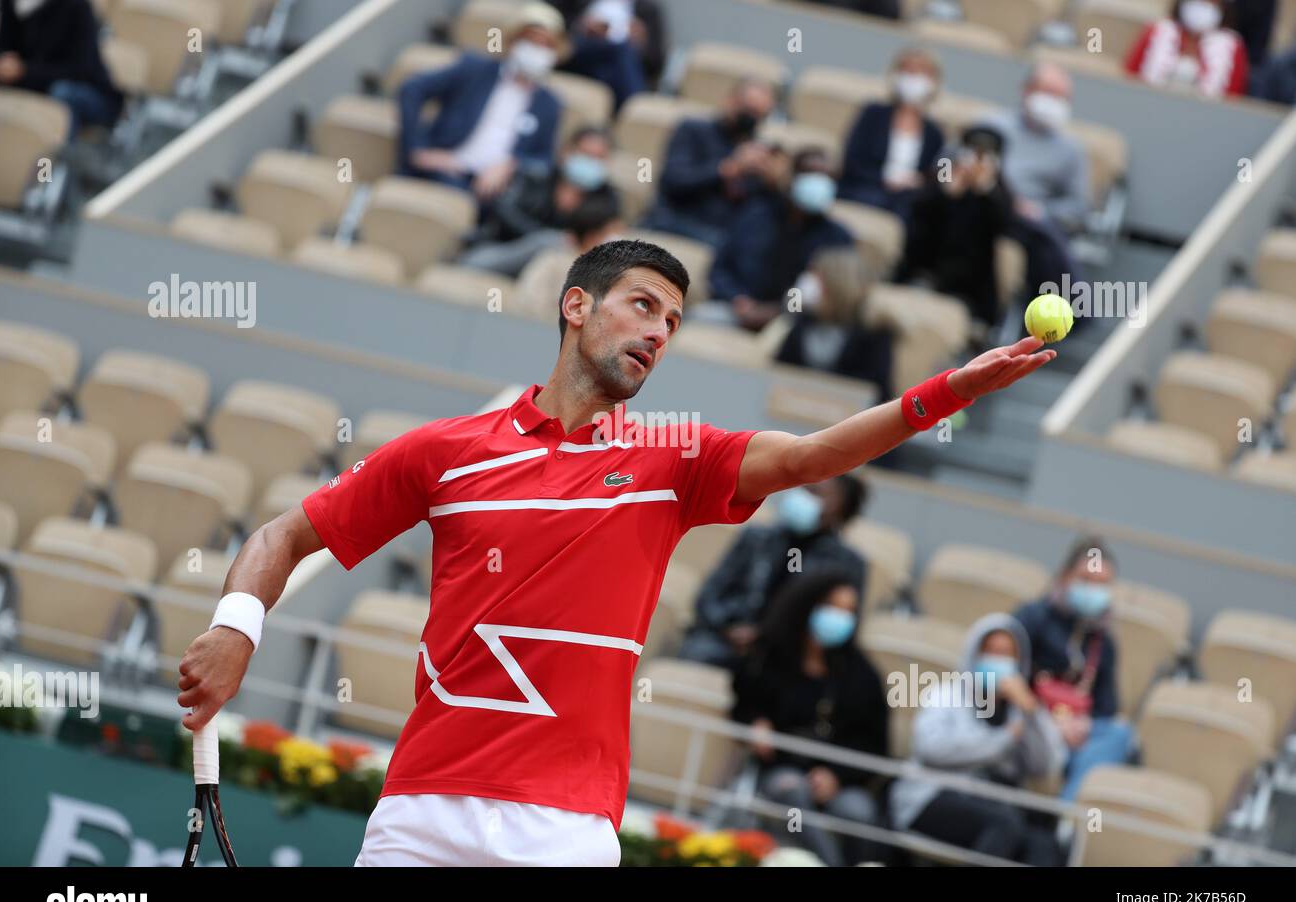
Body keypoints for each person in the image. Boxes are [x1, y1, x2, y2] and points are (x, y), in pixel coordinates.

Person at [177, 237, 1055, 868]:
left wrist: (945, 393)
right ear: (576, 306)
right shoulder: (444, 451)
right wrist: (235, 630)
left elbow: (811, 456)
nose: (658, 331)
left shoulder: (673, 455)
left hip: (565, 831)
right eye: (642, 305)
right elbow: (283, 536)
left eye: (672, 321)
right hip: (421, 812)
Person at [733, 570, 890, 866]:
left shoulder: (862, 675)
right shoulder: (771, 656)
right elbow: (743, 701)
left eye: (848, 611)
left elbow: (875, 744)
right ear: (808, 605)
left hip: (839, 783)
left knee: (858, 812)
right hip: (780, 770)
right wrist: (756, 722)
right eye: (832, 606)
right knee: (792, 790)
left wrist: (836, 775)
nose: (839, 617)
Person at [888, 613, 1068, 866]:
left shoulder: (1020, 709)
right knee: (1005, 823)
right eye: (991, 652)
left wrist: (1032, 713)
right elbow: (931, 749)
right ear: (975, 653)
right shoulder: (947, 695)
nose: (998, 661)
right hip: (930, 799)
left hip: (993, 807)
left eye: (1006, 654)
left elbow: (1046, 765)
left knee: (1043, 845)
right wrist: (1002, 739)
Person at [678, 473, 867, 670]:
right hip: (725, 641)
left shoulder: (846, 564)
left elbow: (838, 628)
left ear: (841, 510)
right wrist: (729, 628)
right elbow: (709, 597)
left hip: (792, 655)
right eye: (803, 489)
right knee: (695, 655)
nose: (804, 497)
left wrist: (769, 638)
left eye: (816, 494)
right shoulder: (756, 538)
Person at [396, 2, 566, 201]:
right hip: (441, 172)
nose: (537, 50)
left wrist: (510, 165)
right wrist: (417, 148)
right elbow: (412, 89)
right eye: (530, 41)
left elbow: (543, 159)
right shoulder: (475, 69)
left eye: (545, 45)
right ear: (512, 41)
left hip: (492, 192)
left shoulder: (550, 105)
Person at [1012, 536, 1135, 802]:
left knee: (1119, 733)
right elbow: (1003, 676)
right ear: (1066, 576)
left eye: (1102, 584)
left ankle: (1067, 813)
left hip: (1074, 734)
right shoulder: (1033, 617)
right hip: (1029, 720)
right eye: (1087, 580)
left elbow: (1105, 709)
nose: (1093, 590)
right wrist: (1046, 720)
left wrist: (1079, 726)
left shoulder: (1104, 642)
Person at [701, 147, 855, 332]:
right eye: (811, 173)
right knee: (698, 318)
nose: (819, 183)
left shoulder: (838, 238)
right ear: (792, 177)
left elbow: (837, 295)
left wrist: (780, 312)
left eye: (828, 178)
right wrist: (738, 300)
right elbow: (719, 269)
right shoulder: (755, 215)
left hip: (798, 324)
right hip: (739, 311)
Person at [983, 64, 1088, 300]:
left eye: (1060, 97)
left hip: (1025, 222)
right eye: (1047, 92)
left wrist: (1040, 211)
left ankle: (1074, 309)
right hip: (984, 205)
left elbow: (1078, 209)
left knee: (1044, 235)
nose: (1053, 102)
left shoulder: (1071, 151)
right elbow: (950, 163)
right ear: (1026, 90)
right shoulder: (992, 126)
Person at [458, 126, 616, 277]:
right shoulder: (533, 176)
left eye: (599, 158)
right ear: (567, 152)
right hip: (503, 247)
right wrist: (542, 239)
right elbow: (504, 212)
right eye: (586, 154)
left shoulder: (607, 199)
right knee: (550, 242)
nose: (591, 163)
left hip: (557, 271)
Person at [896, 125, 1013, 326]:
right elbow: (919, 208)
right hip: (928, 261)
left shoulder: (998, 187)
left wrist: (985, 189)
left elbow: (1006, 225)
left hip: (972, 278)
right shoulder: (946, 170)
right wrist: (948, 193)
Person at [640, 76, 778, 246]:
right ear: (730, 101)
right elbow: (673, 181)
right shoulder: (693, 130)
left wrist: (772, 182)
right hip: (675, 221)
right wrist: (730, 168)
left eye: (758, 115)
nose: (750, 119)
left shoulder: (760, 151)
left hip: (723, 235)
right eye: (747, 109)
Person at [838, 48, 945, 225]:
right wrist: (888, 179)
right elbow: (852, 161)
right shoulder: (872, 114)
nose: (914, 78)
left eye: (922, 72)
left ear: (934, 81)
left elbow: (938, 177)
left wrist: (918, 183)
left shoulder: (935, 133)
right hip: (867, 188)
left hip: (908, 198)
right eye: (908, 70)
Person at [775, 246, 896, 401]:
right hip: (794, 406)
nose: (808, 285)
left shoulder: (875, 332)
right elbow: (779, 368)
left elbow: (878, 390)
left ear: (836, 285)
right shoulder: (804, 322)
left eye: (817, 279)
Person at [0, 0, 123, 138]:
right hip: (35, 82)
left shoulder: (77, 6)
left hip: (89, 91)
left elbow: (80, 69)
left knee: (62, 92)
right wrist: (3, 62)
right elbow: (5, 47)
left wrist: (25, 71)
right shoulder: (14, 4)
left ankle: (57, 156)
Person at [515, 188, 624, 318]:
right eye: (611, 233)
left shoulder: (618, 273)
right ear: (592, 237)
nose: (618, 239)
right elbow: (529, 306)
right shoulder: (551, 263)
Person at [552, 0, 667, 109]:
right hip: (579, 57)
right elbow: (551, 20)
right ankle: (633, 111)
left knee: (620, 55)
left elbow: (655, 63)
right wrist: (581, 25)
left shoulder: (648, 10)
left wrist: (641, 43)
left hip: (615, 69)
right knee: (621, 50)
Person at [1126, 0, 1250, 99]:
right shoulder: (1157, 31)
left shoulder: (1232, 46)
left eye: (1210, 2)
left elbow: (1234, 99)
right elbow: (1129, 78)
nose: (1202, 5)